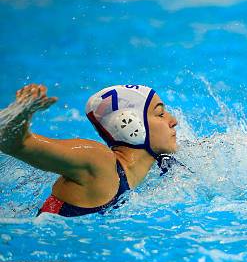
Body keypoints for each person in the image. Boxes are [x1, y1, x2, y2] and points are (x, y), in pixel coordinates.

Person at [0, 83, 178, 217]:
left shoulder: (156, 167)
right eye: (160, 114)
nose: (174, 120)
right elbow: (14, 143)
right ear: (130, 124)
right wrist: (21, 112)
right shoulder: (98, 162)